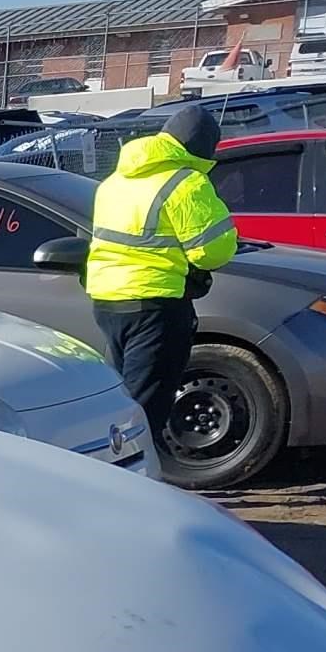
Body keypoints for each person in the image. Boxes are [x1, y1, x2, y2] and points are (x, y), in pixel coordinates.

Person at [83, 102, 238, 443]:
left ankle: (114, 473)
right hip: (155, 303)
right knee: (145, 408)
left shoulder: (116, 179)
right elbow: (213, 251)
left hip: (107, 300)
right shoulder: (186, 182)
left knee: (121, 395)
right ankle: (133, 483)